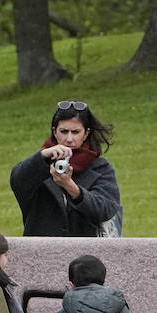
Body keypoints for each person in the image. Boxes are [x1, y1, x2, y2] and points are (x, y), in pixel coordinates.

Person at [10, 99, 122, 237]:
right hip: (43, 248)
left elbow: (106, 209)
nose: (69, 139)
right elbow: (17, 181)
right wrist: (43, 155)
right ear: (55, 132)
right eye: (64, 131)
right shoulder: (39, 165)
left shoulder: (100, 168)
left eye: (75, 132)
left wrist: (71, 187)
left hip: (87, 248)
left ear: (86, 134)